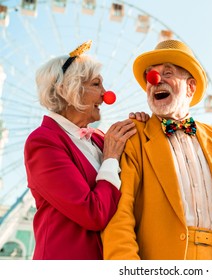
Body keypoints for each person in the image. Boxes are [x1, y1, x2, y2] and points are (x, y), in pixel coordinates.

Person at [101, 39, 212, 260]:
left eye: (168, 72)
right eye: (151, 75)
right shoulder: (135, 137)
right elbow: (119, 215)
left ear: (191, 87)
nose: (156, 80)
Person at [23, 40, 149, 260]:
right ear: (69, 90)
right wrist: (110, 159)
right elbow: (92, 213)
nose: (106, 94)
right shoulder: (42, 142)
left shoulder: (101, 139)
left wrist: (143, 129)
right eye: (96, 84)